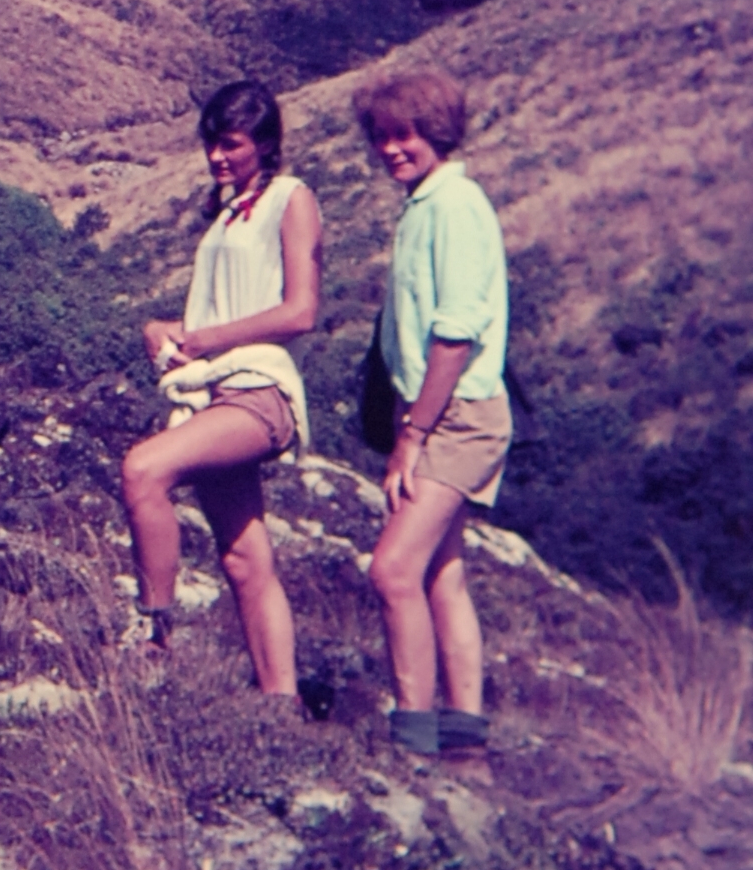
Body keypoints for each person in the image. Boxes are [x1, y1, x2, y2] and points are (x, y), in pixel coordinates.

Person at [119, 81, 321, 697]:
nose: (217, 157)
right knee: (243, 559)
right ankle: (281, 707)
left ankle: (154, 637)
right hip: (214, 392)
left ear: (264, 142)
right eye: (212, 144)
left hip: (259, 393)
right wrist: (165, 330)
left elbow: (300, 312)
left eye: (231, 144)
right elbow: (221, 316)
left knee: (143, 471)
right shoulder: (230, 212)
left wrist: (207, 339)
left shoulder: (292, 198)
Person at [354, 66, 510, 763]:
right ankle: (464, 734)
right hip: (432, 411)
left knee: (393, 570)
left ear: (438, 132)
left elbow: (455, 335)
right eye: (382, 137)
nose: (391, 148)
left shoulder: (455, 206)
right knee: (441, 572)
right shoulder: (424, 205)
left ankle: (412, 734)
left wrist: (411, 436)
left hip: (456, 417)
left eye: (405, 135)